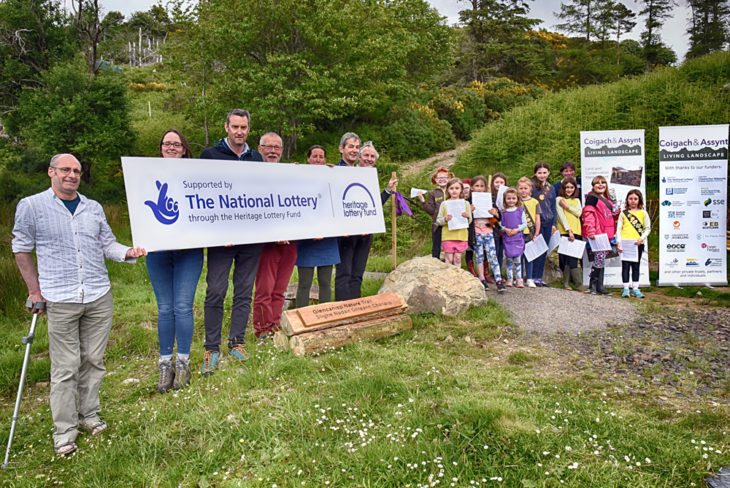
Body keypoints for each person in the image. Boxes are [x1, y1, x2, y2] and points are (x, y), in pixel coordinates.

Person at [12, 153, 146, 456]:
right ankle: (64, 431)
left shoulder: (93, 208)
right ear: (51, 172)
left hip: (98, 295)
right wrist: (35, 291)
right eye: (65, 170)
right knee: (65, 367)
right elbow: (21, 249)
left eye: (76, 171)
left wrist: (129, 253)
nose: (71, 175)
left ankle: (89, 415)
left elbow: (107, 244)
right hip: (60, 298)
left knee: (93, 361)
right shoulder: (32, 206)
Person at [200, 109, 264, 375]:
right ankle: (211, 347)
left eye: (244, 127)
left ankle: (237, 342)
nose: (239, 131)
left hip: (250, 239)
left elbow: (263, 196)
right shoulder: (209, 156)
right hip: (220, 240)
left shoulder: (256, 158)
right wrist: (216, 231)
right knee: (215, 290)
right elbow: (200, 196)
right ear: (226, 127)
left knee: (243, 290)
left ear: (249, 130)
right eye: (235, 127)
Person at [147, 130, 204, 393]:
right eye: (167, 143)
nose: (171, 147)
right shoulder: (145, 175)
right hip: (158, 252)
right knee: (164, 308)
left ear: (184, 149)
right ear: (160, 148)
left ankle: (183, 362)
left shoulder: (195, 176)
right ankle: (164, 363)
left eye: (176, 143)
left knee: (182, 306)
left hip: (189, 252)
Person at [335, 141, 397, 300]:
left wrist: (388, 190)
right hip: (347, 234)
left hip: (365, 233)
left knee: (357, 273)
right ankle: (342, 310)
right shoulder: (347, 173)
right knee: (344, 273)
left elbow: (374, 205)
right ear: (359, 158)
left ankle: (355, 306)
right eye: (366, 155)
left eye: (372, 156)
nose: (369, 159)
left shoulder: (371, 178)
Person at [253, 132, 298, 342]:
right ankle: (262, 330)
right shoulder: (252, 174)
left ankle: (275, 326)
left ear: (282, 150)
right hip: (266, 244)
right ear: (260, 148)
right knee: (264, 289)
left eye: (276, 147)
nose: (272, 151)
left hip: (290, 242)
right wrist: (274, 233)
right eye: (268, 147)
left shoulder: (290, 174)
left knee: (280, 290)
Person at [296, 145, 339, 307]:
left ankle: (324, 316)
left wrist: (336, 173)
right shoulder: (299, 177)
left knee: (325, 282)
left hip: (327, 241)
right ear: (308, 159)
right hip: (307, 240)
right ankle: (299, 317)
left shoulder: (331, 176)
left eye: (321, 157)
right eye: (314, 156)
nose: (318, 160)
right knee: (304, 283)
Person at [581, 175, 619, 295]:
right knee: (599, 259)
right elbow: (588, 215)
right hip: (598, 233)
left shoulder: (608, 199)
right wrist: (591, 231)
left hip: (607, 234)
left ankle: (599, 287)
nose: (601, 184)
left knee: (601, 260)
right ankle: (593, 286)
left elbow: (612, 217)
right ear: (593, 186)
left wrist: (617, 212)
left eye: (603, 182)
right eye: (597, 183)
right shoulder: (592, 198)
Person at [471, 175, 505, 292]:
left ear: (485, 187)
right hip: (476, 232)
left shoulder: (490, 199)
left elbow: (498, 218)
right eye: (477, 186)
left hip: (489, 231)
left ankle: (498, 279)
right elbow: (465, 219)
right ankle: (482, 279)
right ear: (472, 188)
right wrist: (469, 212)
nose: (479, 188)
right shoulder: (469, 201)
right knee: (479, 256)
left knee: (492, 255)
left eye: (482, 186)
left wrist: (495, 213)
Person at [617, 189, 651, 298]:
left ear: (639, 200)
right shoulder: (623, 213)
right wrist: (618, 242)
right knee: (625, 266)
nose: (633, 201)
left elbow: (647, 228)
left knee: (636, 266)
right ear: (627, 200)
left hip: (638, 244)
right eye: (630, 198)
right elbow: (618, 229)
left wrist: (641, 238)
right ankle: (626, 288)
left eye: (635, 199)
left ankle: (636, 288)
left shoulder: (643, 213)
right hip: (625, 244)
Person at [555, 177, 583, 291]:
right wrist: (568, 230)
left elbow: (579, 213)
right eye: (567, 187)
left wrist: (567, 207)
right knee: (567, 257)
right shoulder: (558, 199)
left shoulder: (577, 200)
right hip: (565, 231)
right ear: (563, 188)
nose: (569, 189)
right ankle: (577, 284)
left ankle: (568, 282)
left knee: (574, 257)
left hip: (577, 230)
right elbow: (561, 216)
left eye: (572, 187)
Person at [436, 178, 472, 266]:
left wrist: (467, 216)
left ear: (461, 190)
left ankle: (457, 278)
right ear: (448, 190)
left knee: (457, 258)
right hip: (448, 235)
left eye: (457, 188)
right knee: (449, 259)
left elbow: (470, 220)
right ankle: (448, 278)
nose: (454, 191)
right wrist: (445, 219)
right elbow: (438, 220)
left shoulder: (465, 203)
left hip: (461, 235)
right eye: (451, 188)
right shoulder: (444, 204)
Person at [531, 162, 556, 287]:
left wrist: (554, 223)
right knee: (535, 249)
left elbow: (553, 206)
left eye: (544, 172)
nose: (542, 175)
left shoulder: (551, 188)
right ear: (535, 173)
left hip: (549, 221)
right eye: (539, 172)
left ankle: (539, 277)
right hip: (536, 222)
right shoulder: (531, 187)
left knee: (543, 249)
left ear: (548, 173)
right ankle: (531, 276)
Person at [418, 166, 451, 259]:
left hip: (451, 224)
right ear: (435, 180)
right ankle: (435, 266)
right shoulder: (433, 193)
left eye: (444, 177)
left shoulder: (453, 190)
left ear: (449, 178)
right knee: (436, 248)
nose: (442, 180)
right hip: (437, 224)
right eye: (439, 178)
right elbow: (431, 211)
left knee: (450, 248)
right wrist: (422, 201)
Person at [500, 188, 528, 288]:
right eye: (508, 198)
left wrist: (517, 229)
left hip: (517, 237)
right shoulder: (503, 212)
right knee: (508, 260)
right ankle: (509, 278)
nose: (511, 200)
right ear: (505, 200)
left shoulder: (520, 211)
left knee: (517, 260)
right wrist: (505, 229)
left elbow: (525, 224)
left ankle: (519, 279)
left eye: (513, 198)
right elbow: (499, 224)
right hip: (507, 238)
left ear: (517, 199)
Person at [517, 177, 541, 287]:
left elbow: (537, 218)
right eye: (521, 188)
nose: (523, 190)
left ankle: (530, 278)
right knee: (519, 256)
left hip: (530, 232)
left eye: (525, 188)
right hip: (519, 232)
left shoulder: (535, 202)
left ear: (530, 188)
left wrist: (537, 232)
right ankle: (519, 277)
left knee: (529, 256)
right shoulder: (516, 202)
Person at [490, 172, 508, 274]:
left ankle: (499, 272)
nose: (499, 184)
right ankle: (492, 272)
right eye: (497, 182)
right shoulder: (489, 196)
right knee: (494, 250)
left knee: (501, 250)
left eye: (502, 182)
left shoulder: (508, 196)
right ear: (492, 183)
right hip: (493, 226)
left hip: (505, 226)